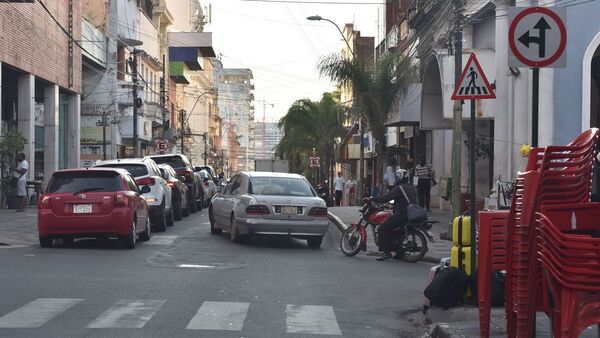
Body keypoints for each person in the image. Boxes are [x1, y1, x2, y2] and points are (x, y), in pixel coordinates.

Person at [371, 169, 417, 261]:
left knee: (382, 228)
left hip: (402, 215)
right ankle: (398, 251)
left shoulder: (399, 188)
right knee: (393, 229)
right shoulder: (410, 187)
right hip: (410, 214)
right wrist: (392, 205)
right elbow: (403, 201)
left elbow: (387, 197)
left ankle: (385, 252)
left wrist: (374, 199)